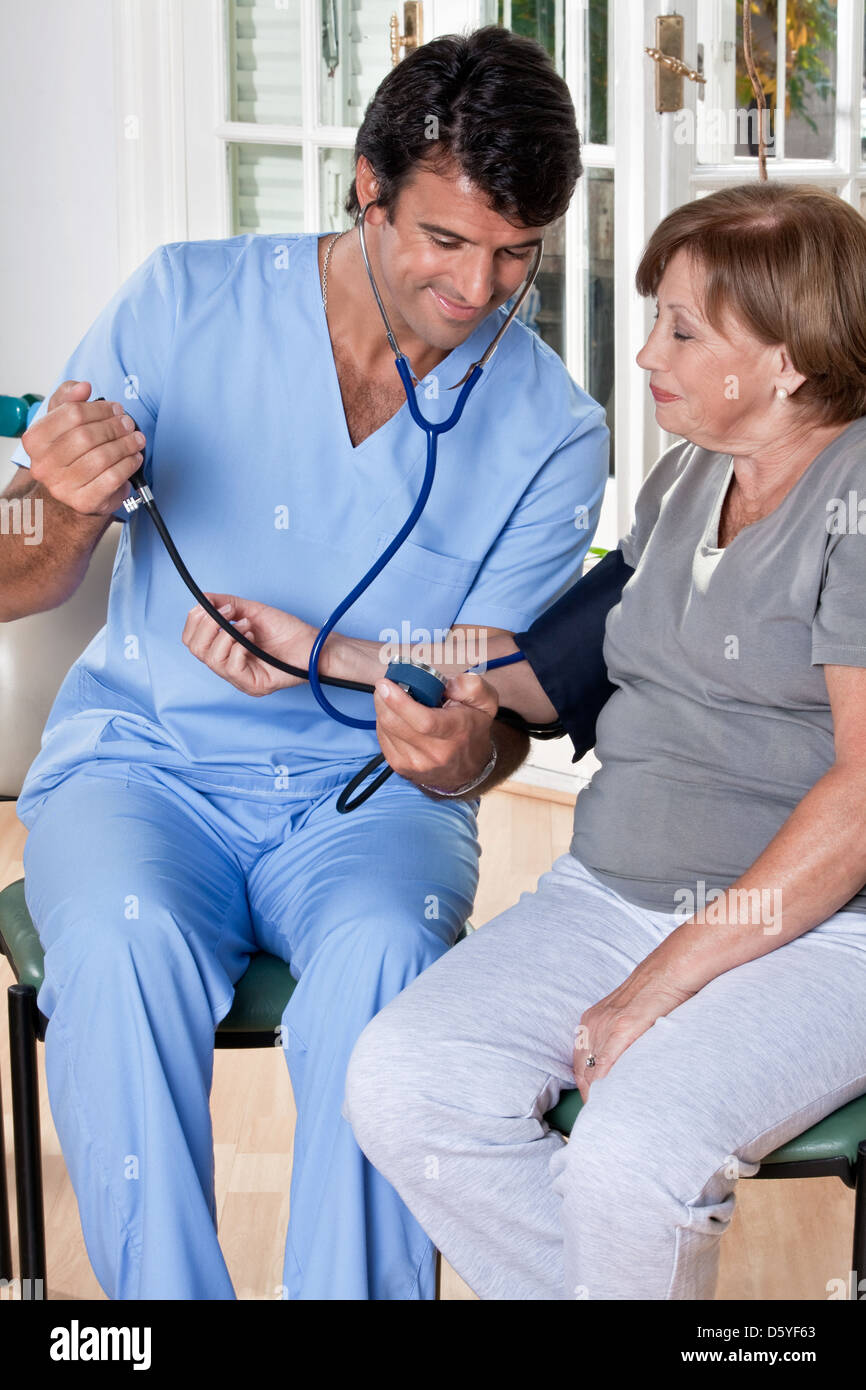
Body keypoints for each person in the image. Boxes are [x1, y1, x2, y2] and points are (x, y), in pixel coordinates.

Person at [0, 26, 608, 1299]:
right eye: (444, 242)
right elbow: (31, 571)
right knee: (120, 944)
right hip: (143, 771)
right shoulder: (179, 302)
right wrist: (52, 509)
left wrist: (459, 754)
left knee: (387, 964)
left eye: (514, 252)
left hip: (367, 802)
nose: (476, 291)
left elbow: (492, 718)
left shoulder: (554, 428)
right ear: (365, 190)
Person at [335, 181, 866, 1300]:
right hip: (609, 892)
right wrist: (423, 679)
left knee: (630, 1153)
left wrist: (659, 981)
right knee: (405, 1078)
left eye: (681, 329)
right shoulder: (690, 474)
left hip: (822, 935)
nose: (643, 356)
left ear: (787, 359)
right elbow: (584, 657)